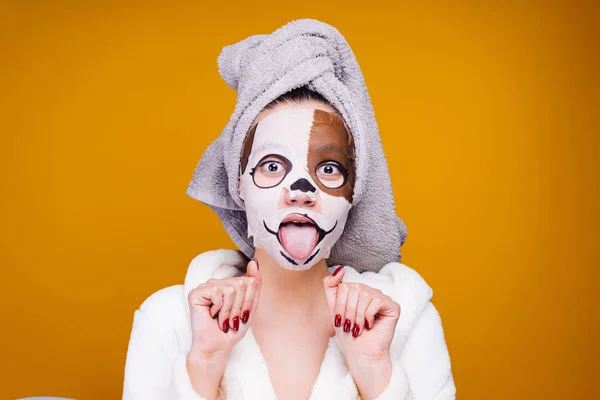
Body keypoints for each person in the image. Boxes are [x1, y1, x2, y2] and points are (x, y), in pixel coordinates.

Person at [123, 19, 455, 400]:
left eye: (329, 169)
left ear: (353, 193)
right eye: (272, 167)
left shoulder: (406, 319)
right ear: (238, 185)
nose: (301, 192)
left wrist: (374, 370)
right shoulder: (167, 321)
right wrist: (205, 363)